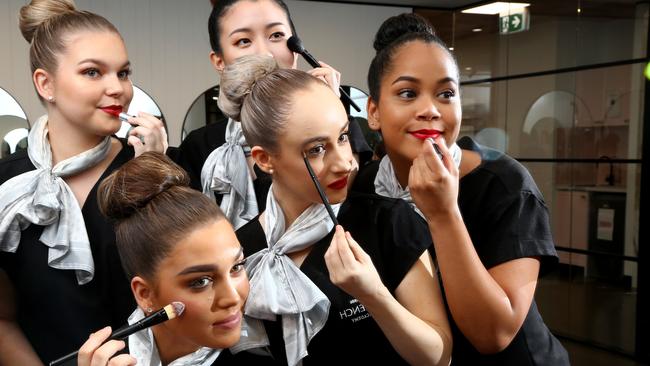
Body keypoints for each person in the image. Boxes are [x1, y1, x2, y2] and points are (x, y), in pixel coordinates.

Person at [353, 13, 570, 365]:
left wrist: (443, 212)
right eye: (408, 93)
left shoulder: (506, 186)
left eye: (446, 93)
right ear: (374, 112)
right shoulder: (366, 186)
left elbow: (494, 335)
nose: (430, 110)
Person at [213, 55, 451, 366]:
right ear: (265, 159)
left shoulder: (388, 223)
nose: (346, 162)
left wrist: (373, 295)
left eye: (342, 137)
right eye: (317, 149)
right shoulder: (240, 250)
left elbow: (439, 356)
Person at [0, 0, 167, 364]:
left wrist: (157, 172)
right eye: (93, 72)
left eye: (123, 73)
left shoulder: (146, 166)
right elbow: (2, 318)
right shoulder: (6, 183)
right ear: (46, 83)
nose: (118, 89)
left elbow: (182, 296)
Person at [174, 0, 371, 230]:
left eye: (276, 36)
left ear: (297, 49)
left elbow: (338, 195)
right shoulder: (200, 147)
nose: (264, 53)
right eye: (244, 41)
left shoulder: (341, 128)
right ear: (219, 61)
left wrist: (326, 109)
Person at [74, 152, 249, 366]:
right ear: (145, 294)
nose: (232, 298)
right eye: (201, 281)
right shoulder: (102, 359)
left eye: (237, 267)